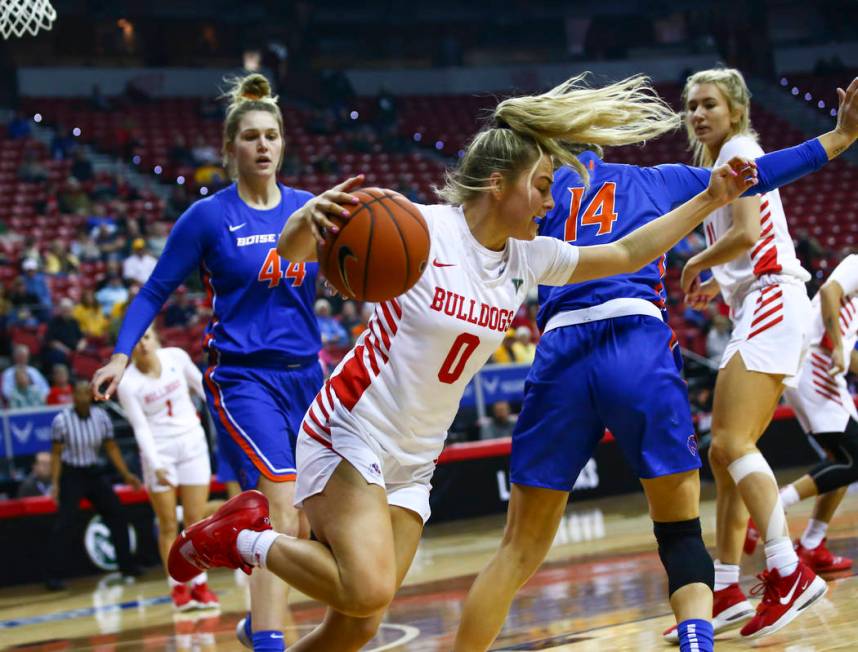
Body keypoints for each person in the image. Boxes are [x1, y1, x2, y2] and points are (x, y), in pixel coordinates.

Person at [166, 72, 760, 652]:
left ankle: (253, 542)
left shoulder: (529, 258)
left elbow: (629, 250)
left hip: (417, 456)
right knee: (366, 587)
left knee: (358, 622)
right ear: (499, 184)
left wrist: (710, 198)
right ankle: (243, 536)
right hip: (353, 427)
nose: (552, 202)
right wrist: (299, 227)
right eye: (544, 186)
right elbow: (299, 257)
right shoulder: (419, 228)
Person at [455, 74, 858, 652]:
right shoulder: (657, 180)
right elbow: (763, 176)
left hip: (562, 350)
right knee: (677, 530)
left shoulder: (541, 189)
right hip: (637, 347)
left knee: (517, 548)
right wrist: (841, 137)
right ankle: (707, 627)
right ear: (601, 139)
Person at [90, 73, 328, 651]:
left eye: (272, 135)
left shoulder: (309, 210)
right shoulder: (207, 217)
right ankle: (269, 639)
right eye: (251, 137)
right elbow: (153, 291)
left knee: (309, 521)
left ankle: (237, 568)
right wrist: (122, 354)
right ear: (230, 150)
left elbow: (346, 280)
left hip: (309, 374)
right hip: (243, 376)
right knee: (281, 502)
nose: (264, 146)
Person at [678, 69, 858, 639]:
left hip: (773, 298)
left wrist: (695, 263)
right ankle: (727, 586)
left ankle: (788, 570)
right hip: (754, 301)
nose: (698, 114)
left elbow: (750, 232)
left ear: (734, 110)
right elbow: (742, 240)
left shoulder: (737, 148)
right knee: (725, 456)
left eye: (709, 103)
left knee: (730, 444)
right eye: (690, 106)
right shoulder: (721, 159)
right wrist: (720, 277)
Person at [747, 253, 858, 573]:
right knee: (853, 459)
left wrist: (841, 349)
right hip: (814, 364)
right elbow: (827, 293)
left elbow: (847, 351)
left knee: (842, 461)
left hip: (823, 369)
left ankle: (812, 543)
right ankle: (771, 508)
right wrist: (838, 345)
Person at [117, 327, 218, 610]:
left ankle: (200, 585)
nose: (142, 345)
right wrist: (155, 463)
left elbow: (205, 388)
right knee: (168, 525)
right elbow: (140, 428)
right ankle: (178, 588)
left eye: (146, 337)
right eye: (135, 342)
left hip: (192, 444)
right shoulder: (128, 384)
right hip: (160, 451)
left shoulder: (176, 357)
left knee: (196, 521)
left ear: (156, 339)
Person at [46, 380, 142, 590]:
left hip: (93, 472)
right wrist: (55, 483)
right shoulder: (61, 421)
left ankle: (127, 566)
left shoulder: (101, 417)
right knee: (65, 523)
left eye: (84, 393)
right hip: (71, 473)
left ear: (90, 395)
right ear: (73, 396)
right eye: (77, 393)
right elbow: (55, 454)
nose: (81, 397)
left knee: (117, 514)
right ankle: (54, 575)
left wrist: (126, 474)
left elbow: (112, 448)